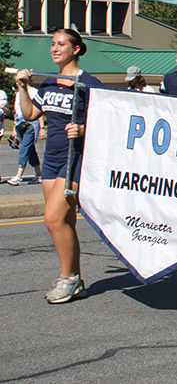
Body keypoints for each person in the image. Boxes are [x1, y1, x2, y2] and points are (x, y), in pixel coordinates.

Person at [16, 29, 103, 303]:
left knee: (52, 218)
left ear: (75, 49)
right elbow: (30, 114)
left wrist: (83, 128)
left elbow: (106, 123)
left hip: (75, 161)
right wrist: (22, 87)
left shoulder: (89, 84)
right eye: (53, 44)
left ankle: (69, 279)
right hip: (51, 161)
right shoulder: (49, 82)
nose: (55, 48)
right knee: (64, 222)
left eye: (61, 44)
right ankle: (74, 279)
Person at [8, 74, 42, 186]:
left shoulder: (34, 92)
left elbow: (39, 110)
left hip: (31, 124)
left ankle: (18, 176)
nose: (17, 83)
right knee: (30, 150)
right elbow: (17, 112)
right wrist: (14, 130)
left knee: (24, 148)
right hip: (19, 123)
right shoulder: (18, 93)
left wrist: (42, 127)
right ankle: (39, 175)